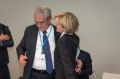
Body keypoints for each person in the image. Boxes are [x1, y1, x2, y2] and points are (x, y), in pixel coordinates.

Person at [16, 6, 82, 79]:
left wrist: (79, 59)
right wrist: (20, 56)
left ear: (49, 19)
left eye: (42, 22)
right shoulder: (30, 30)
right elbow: (20, 47)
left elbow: (72, 47)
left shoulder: (60, 32)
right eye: (36, 22)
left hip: (54, 74)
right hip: (32, 74)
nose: (39, 25)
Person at [54, 12, 80, 79]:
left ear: (65, 26)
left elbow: (67, 64)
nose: (55, 25)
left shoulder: (62, 41)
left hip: (64, 76)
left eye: (57, 24)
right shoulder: (75, 37)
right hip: (71, 74)